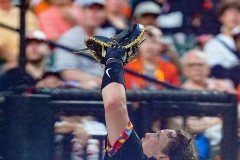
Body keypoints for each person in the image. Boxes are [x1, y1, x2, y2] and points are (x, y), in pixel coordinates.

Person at [88, 24, 199, 160]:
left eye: (157, 136)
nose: (148, 134)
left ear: (163, 158)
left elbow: (114, 103)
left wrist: (114, 58)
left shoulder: (135, 153)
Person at [180, 49, 236, 159]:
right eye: (192, 65)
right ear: (184, 70)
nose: (197, 68)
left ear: (208, 67)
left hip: (231, 133)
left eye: (200, 64)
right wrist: (222, 121)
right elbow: (189, 125)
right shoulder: (180, 92)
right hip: (201, 140)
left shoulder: (224, 85)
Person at [54, 0, 108, 90]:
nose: (95, 14)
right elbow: (67, 73)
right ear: (81, 11)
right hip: (76, 90)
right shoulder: (68, 38)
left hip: (105, 88)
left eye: (99, 10)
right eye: (90, 9)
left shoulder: (108, 37)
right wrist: (99, 80)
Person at [203, 0, 240, 87]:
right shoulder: (214, 44)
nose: (234, 16)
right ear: (221, 17)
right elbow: (215, 71)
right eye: (230, 12)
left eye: (238, 12)